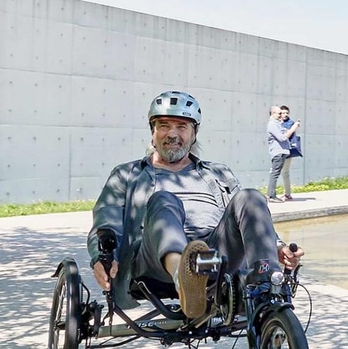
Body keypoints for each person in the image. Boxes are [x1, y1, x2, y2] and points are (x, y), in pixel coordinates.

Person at [89, 90, 304, 319]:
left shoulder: (218, 173)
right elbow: (106, 221)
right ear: (153, 132)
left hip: (213, 256)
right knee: (164, 199)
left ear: (194, 134)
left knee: (251, 196)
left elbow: (249, 217)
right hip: (153, 260)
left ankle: (266, 286)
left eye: (181, 127)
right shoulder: (126, 174)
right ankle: (184, 278)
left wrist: (277, 247)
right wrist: (102, 257)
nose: (172, 133)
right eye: (164, 125)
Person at [266, 105, 300, 202]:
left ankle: (271, 195)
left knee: (276, 173)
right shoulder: (272, 124)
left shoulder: (277, 123)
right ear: (273, 113)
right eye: (279, 113)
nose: (281, 115)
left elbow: (285, 132)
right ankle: (271, 196)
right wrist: (293, 128)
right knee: (275, 174)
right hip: (278, 152)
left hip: (282, 151)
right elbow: (282, 138)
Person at [279, 106, 302, 201]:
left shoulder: (289, 123)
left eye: (286, 113)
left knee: (285, 172)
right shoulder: (277, 122)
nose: (285, 115)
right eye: (283, 113)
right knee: (279, 172)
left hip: (287, 150)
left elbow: (285, 135)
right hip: (279, 150)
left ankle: (287, 194)